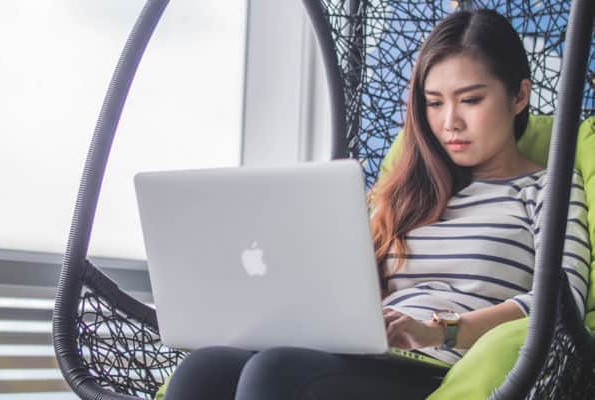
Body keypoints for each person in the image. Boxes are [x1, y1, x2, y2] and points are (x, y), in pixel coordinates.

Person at [163, 9, 590, 400]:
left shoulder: (547, 188)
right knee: (204, 369)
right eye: (435, 102)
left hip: (436, 366)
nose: (449, 123)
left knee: (274, 373)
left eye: (471, 100)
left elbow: (560, 303)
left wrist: (437, 331)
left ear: (519, 97)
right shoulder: (413, 187)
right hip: (366, 353)